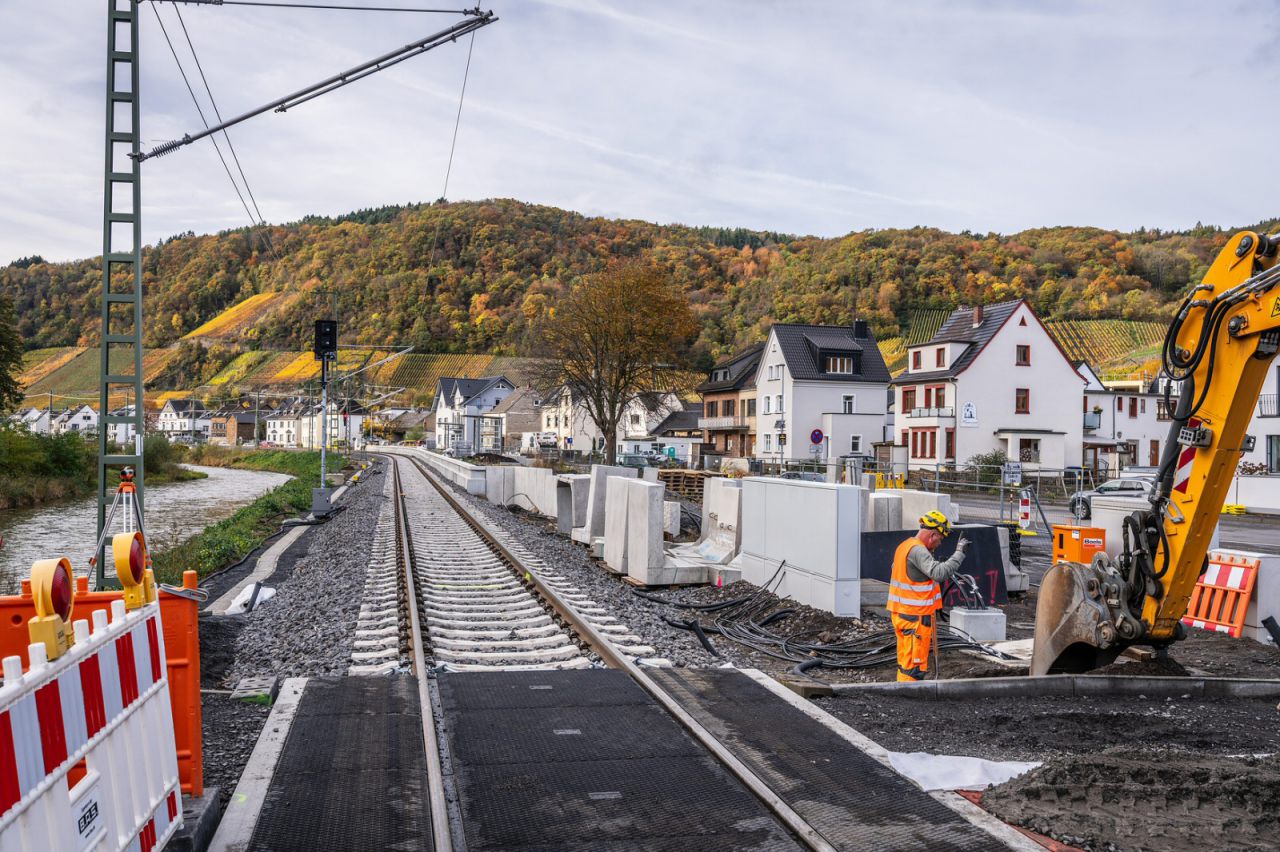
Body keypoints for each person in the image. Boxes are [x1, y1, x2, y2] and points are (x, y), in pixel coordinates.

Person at [887, 511, 969, 682]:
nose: (939, 544)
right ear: (933, 535)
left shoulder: (905, 546)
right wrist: (959, 553)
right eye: (940, 539)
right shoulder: (918, 551)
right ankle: (910, 698)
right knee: (914, 667)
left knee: (906, 662)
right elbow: (938, 573)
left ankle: (903, 694)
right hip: (915, 618)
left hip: (903, 615)